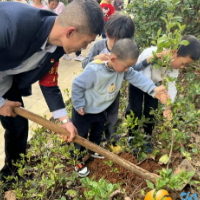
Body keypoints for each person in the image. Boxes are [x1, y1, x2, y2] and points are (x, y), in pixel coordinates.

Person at [0, 0, 104, 182]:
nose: (85, 48)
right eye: (86, 42)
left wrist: (64, 120)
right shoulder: (10, 25)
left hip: (6, 81)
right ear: (70, 32)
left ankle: (11, 176)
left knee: (17, 126)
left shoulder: (56, 44)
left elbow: (49, 83)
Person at [71, 38, 168, 177]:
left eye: (129, 67)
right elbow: (77, 84)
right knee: (80, 134)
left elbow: (137, 78)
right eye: (126, 66)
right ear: (114, 58)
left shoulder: (122, 69)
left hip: (99, 109)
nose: (128, 70)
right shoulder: (94, 70)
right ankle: (77, 158)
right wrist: (79, 104)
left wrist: (153, 90)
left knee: (97, 131)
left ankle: (93, 149)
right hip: (84, 110)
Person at [82, 14, 154, 149]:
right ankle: (93, 142)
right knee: (95, 117)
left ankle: (112, 140)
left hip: (113, 91)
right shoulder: (99, 46)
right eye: (115, 41)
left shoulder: (126, 51)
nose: (118, 46)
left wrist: (146, 61)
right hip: (95, 93)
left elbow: (133, 69)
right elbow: (84, 64)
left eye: (122, 41)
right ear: (107, 34)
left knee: (112, 118)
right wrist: (95, 59)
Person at [126, 35, 200, 151]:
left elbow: (171, 86)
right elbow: (143, 78)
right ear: (174, 52)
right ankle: (132, 136)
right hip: (138, 82)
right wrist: (157, 94)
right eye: (182, 63)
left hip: (155, 86)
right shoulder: (151, 54)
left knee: (151, 110)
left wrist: (168, 107)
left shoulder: (174, 68)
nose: (182, 67)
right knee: (135, 110)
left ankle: (147, 137)